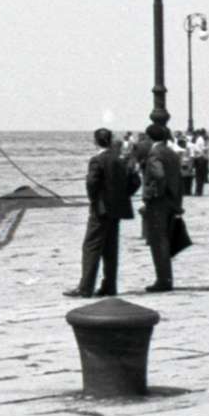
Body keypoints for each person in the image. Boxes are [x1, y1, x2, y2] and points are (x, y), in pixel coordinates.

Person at [66, 127, 135, 298]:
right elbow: (135, 180)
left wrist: (94, 199)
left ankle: (85, 287)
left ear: (95, 141)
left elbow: (91, 183)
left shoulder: (97, 160)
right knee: (111, 248)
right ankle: (109, 286)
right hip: (117, 209)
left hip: (101, 209)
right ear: (110, 141)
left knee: (91, 247)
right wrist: (122, 196)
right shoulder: (120, 160)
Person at [138, 123, 184, 292]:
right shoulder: (171, 152)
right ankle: (166, 278)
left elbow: (159, 174)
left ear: (149, 137)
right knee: (164, 239)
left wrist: (151, 193)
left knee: (158, 241)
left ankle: (163, 279)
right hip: (171, 200)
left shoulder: (154, 153)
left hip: (158, 202)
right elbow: (178, 178)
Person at [189, 130, 209, 197]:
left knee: (199, 176)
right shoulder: (201, 140)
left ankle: (198, 191)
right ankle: (199, 191)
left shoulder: (199, 140)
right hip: (201, 159)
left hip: (199, 159)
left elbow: (198, 150)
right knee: (200, 176)